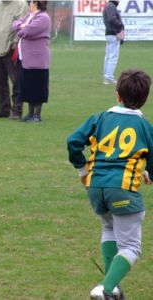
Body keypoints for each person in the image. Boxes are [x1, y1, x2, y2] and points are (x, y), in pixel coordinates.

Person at [67, 69, 152, 300]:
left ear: (117, 95)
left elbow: (73, 141)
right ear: (144, 99)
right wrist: (149, 175)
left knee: (109, 229)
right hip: (123, 190)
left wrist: (82, 169)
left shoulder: (100, 118)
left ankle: (112, 288)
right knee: (132, 248)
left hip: (95, 188)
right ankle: (105, 289)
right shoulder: (145, 127)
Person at [0, 0, 28, 120]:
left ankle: (17, 110)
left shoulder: (21, 4)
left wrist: (15, 41)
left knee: (16, 80)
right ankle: (3, 109)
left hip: (11, 48)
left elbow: (23, 24)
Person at [12, 0, 50, 122]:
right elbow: (15, 24)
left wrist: (22, 28)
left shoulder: (43, 18)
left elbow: (27, 31)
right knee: (27, 86)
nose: (29, 4)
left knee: (38, 86)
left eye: (31, 2)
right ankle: (30, 113)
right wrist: (20, 25)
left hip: (38, 59)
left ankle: (37, 115)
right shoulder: (29, 16)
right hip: (26, 59)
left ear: (36, 3)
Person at [103, 0, 124, 85]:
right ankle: (109, 78)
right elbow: (112, 19)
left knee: (108, 56)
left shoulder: (108, 6)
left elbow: (107, 21)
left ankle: (106, 77)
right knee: (113, 57)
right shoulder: (111, 6)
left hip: (109, 33)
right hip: (113, 33)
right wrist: (120, 26)